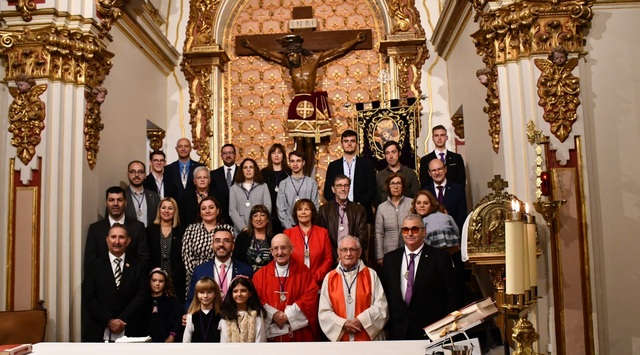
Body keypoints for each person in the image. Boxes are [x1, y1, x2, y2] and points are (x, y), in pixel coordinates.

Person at [242, 33, 367, 170]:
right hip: (297, 103)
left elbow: (338, 50)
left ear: (299, 52)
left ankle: (307, 173)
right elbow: (267, 53)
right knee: (299, 139)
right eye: (288, 55)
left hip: (311, 101)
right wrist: (251, 46)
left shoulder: (313, 60)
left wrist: (355, 40)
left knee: (309, 140)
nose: (291, 58)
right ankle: (299, 171)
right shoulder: (290, 64)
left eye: (293, 55)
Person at [380, 214, 462, 340]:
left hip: (431, 330)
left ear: (424, 232)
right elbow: (385, 295)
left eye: (415, 229)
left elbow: (452, 293)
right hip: (398, 330)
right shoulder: (390, 259)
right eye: (405, 230)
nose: (410, 234)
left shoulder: (439, 258)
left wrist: (448, 325)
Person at [82, 224, 148, 342]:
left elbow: (142, 295)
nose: (117, 241)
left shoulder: (138, 266)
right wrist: (108, 320)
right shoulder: (94, 266)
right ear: (107, 240)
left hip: (131, 330)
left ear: (128, 241)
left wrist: (121, 320)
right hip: (98, 330)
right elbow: (89, 297)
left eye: (121, 237)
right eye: (113, 237)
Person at [318, 236, 388, 341]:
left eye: (352, 249)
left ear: (359, 252)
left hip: (368, 341)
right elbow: (324, 311)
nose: (348, 254)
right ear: (338, 252)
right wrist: (342, 324)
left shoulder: (370, 274)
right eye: (344, 250)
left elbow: (381, 307)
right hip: (342, 340)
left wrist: (361, 320)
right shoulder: (330, 277)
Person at [252, 234, 319, 341]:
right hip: (271, 336)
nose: (280, 252)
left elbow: (311, 297)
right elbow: (256, 301)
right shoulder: (260, 276)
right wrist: (273, 314)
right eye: (276, 249)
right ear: (271, 251)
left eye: (283, 248)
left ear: (291, 249)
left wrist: (288, 315)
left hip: (298, 335)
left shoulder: (303, 272)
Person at [187, 224, 253, 308]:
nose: (221, 244)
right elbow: (190, 301)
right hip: (209, 319)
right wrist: (188, 315)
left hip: (236, 318)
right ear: (212, 245)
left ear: (233, 246)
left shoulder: (246, 270)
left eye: (226, 241)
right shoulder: (199, 271)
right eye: (217, 241)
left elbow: (251, 301)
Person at [84, 186, 148, 272]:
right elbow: (90, 262)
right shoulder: (95, 229)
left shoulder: (138, 227)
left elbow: (143, 260)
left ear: (125, 202)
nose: (115, 204)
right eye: (111, 200)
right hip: (103, 282)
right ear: (106, 203)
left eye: (119, 200)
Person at [324, 129, 377, 224]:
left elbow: (372, 190)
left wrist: (357, 205)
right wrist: (339, 204)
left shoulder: (367, 164)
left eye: (352, 141)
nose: (349, 144)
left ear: (357, 144)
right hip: (337, 213)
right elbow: (327, 191)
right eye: (346, 141)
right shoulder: (333, 166)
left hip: (362, 211)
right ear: (341, 144)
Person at [317, 174, 368, 262]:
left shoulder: (359, 209)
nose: (343, 189)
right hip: (331, 259)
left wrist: (349, 254)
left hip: (353, 258)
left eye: (346, 185)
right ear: (333, 189)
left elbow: (363, 238)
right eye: (339, 186)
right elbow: (321, 239)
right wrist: (337, 255)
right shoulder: (324, 210)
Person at [284, 199, 333, 288]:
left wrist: (314, 277)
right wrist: (299, 278)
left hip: (318, 284)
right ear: (296, 213)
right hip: (294, 283)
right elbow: (285, 259)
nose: (303, 212)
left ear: (312, 212)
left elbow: (328, 259)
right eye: (300, 209)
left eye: (307, 209)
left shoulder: (323, 233)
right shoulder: (288, 234)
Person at [147, 197, 186, 303]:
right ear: (159, 210)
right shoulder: (150, 230)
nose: (166, 211)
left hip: (175, 279)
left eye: (170, 208)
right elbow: (147, 255)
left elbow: (183, 257)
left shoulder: (182, 231)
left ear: (175, 211)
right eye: (163, 208)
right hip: (154, 279)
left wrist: (173, 277)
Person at [181, 197, 222, 297]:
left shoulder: (226, 229)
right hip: (195, 278)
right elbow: (186, 256)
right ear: (199, 213)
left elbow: (228, 254)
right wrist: (198, 276)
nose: (207, 211)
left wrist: (214, 277)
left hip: (220, 278)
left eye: (211, 207)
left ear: (217, 211)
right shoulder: (191, 229)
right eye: (203, 208)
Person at [374, 173, 412, 265]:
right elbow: (379, 234)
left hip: (409, 250)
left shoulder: (412, 203)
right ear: (388, 186)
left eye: (398, 183)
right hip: (389, 253)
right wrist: (380, 256)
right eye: (392, 183)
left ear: (403, 186)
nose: (396, 186)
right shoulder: (382, 207)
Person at [276, 151, 319, 229]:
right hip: (290, 226)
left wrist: (309, 225)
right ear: (289, 163)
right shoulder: (283, 184)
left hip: (308, 226)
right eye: (292, 161)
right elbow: (281, 209)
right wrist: (290, 228)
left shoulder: (311, 183)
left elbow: (315, 207)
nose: (295, 164)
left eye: (298, 161)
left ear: (303, 163)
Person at [229, 158, 272, 235]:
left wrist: (259, 224)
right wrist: (243, 228)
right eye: (245, 168)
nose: (248, 170)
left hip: (260, 229)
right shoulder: (234, 188)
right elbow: (232, 211)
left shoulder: (263, 186)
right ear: (242, 170)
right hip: (240, 231)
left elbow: (268, 207)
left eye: (251, 167)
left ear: (255, 170)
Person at [423, 159, 467, 231]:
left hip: (453, 233)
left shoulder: (458, 189)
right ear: (429, 173)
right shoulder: (425, 191)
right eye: (433, 170)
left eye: (440, 169)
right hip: (431, 234)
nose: (437, 173)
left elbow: (461, 215)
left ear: (445, 169)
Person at [219, 276, 267, 342]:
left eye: (243, 291)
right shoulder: (226, 314)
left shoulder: (256, 313)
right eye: (235, 291)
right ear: (231, 294)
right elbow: (224, 339)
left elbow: (260, 338)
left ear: (250, 293)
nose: (239, 294)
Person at [375, 140, 419, 205]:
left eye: (393, 152)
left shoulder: (410, 173)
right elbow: (377, 200)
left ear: (399, 153)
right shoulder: (379, 176)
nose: (391, 156)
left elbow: (417, 196)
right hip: (386, 212)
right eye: (387, 153)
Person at [261, 143, 292, 234]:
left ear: (283, 155)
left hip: (286, 214)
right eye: (273, 153)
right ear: (270, 155)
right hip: (269, 214)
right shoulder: (263, 173)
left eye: (279, 152)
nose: (276, 155)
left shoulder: (289, 172)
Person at [234, 204, 274, 272]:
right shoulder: (242, 237)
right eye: (255, 216)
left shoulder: (273, 238)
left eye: (262, 215)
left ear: (267, 220)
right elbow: (236, 260)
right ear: (251, 220)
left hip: (268, 276)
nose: (258, 219)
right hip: (246, 276)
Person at [146, 268, 182, 342]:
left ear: (166, 282)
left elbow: (178, 320)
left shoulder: (172, 300)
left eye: (161, 281)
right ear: (149, 281)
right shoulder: (143, 300)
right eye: (154, 280)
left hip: (167, 341)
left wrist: (172, 336)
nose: (157, 284)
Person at [164, 138, 204, 202]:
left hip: (195, 207)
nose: (183, 149)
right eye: (180, 146)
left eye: (186, 146)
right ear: (176, 149)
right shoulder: (168, 169)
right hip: (174, 208)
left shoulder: (200, 167)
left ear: (191, 148)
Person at [183, 277, 222, 342]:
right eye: (202, 292)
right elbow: (186, 340)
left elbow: (224, 340)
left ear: (215, 294)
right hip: (195, 351)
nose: (205, 296)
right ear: (197, 295)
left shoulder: (221, 316)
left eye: (209, 292)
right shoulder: (191, 316)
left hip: (216, 351)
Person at [125, 160, 160, 227]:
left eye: (140, 172)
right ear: (128, 174)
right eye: (132, 172)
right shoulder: (122, 196)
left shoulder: (154, 196)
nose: (136, 175)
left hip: (150, 236)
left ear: (145, 175)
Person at [210, 143, 239, 224]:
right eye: (225, 153)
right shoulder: (213, 174)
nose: (228, 155)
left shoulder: (242, 173)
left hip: (239, 217)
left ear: (235, 155)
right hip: (220, 218)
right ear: (221, 156)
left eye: (231, 153)